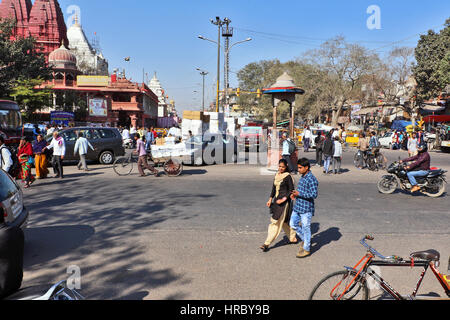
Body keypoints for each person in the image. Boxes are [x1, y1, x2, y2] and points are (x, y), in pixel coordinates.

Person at [260, 159, 298, 252]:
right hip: (277, 201)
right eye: (279, 166)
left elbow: (291, 190)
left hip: (284, 203)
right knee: (283, 222)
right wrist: (270, 199)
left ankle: (266, 243)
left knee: (275, 222)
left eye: (283, 167)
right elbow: (274, 188)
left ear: (286, 167)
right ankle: (292, 237)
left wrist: (283, 199)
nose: (281, 168)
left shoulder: (288, 176)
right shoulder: (277, 175)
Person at [290, 158, 319, 258]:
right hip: (298, 206)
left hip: (306, 209)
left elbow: (314, 194)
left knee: (306, 228)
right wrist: (295, 195)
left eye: (300, 168)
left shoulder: (312, 179)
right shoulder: (303, 176)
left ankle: (306, 249)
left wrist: (300, 194)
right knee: (292, 224)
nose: (298, 169)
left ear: (306, 167)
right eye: (298, 167)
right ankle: (306, 240)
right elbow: (301, 191)